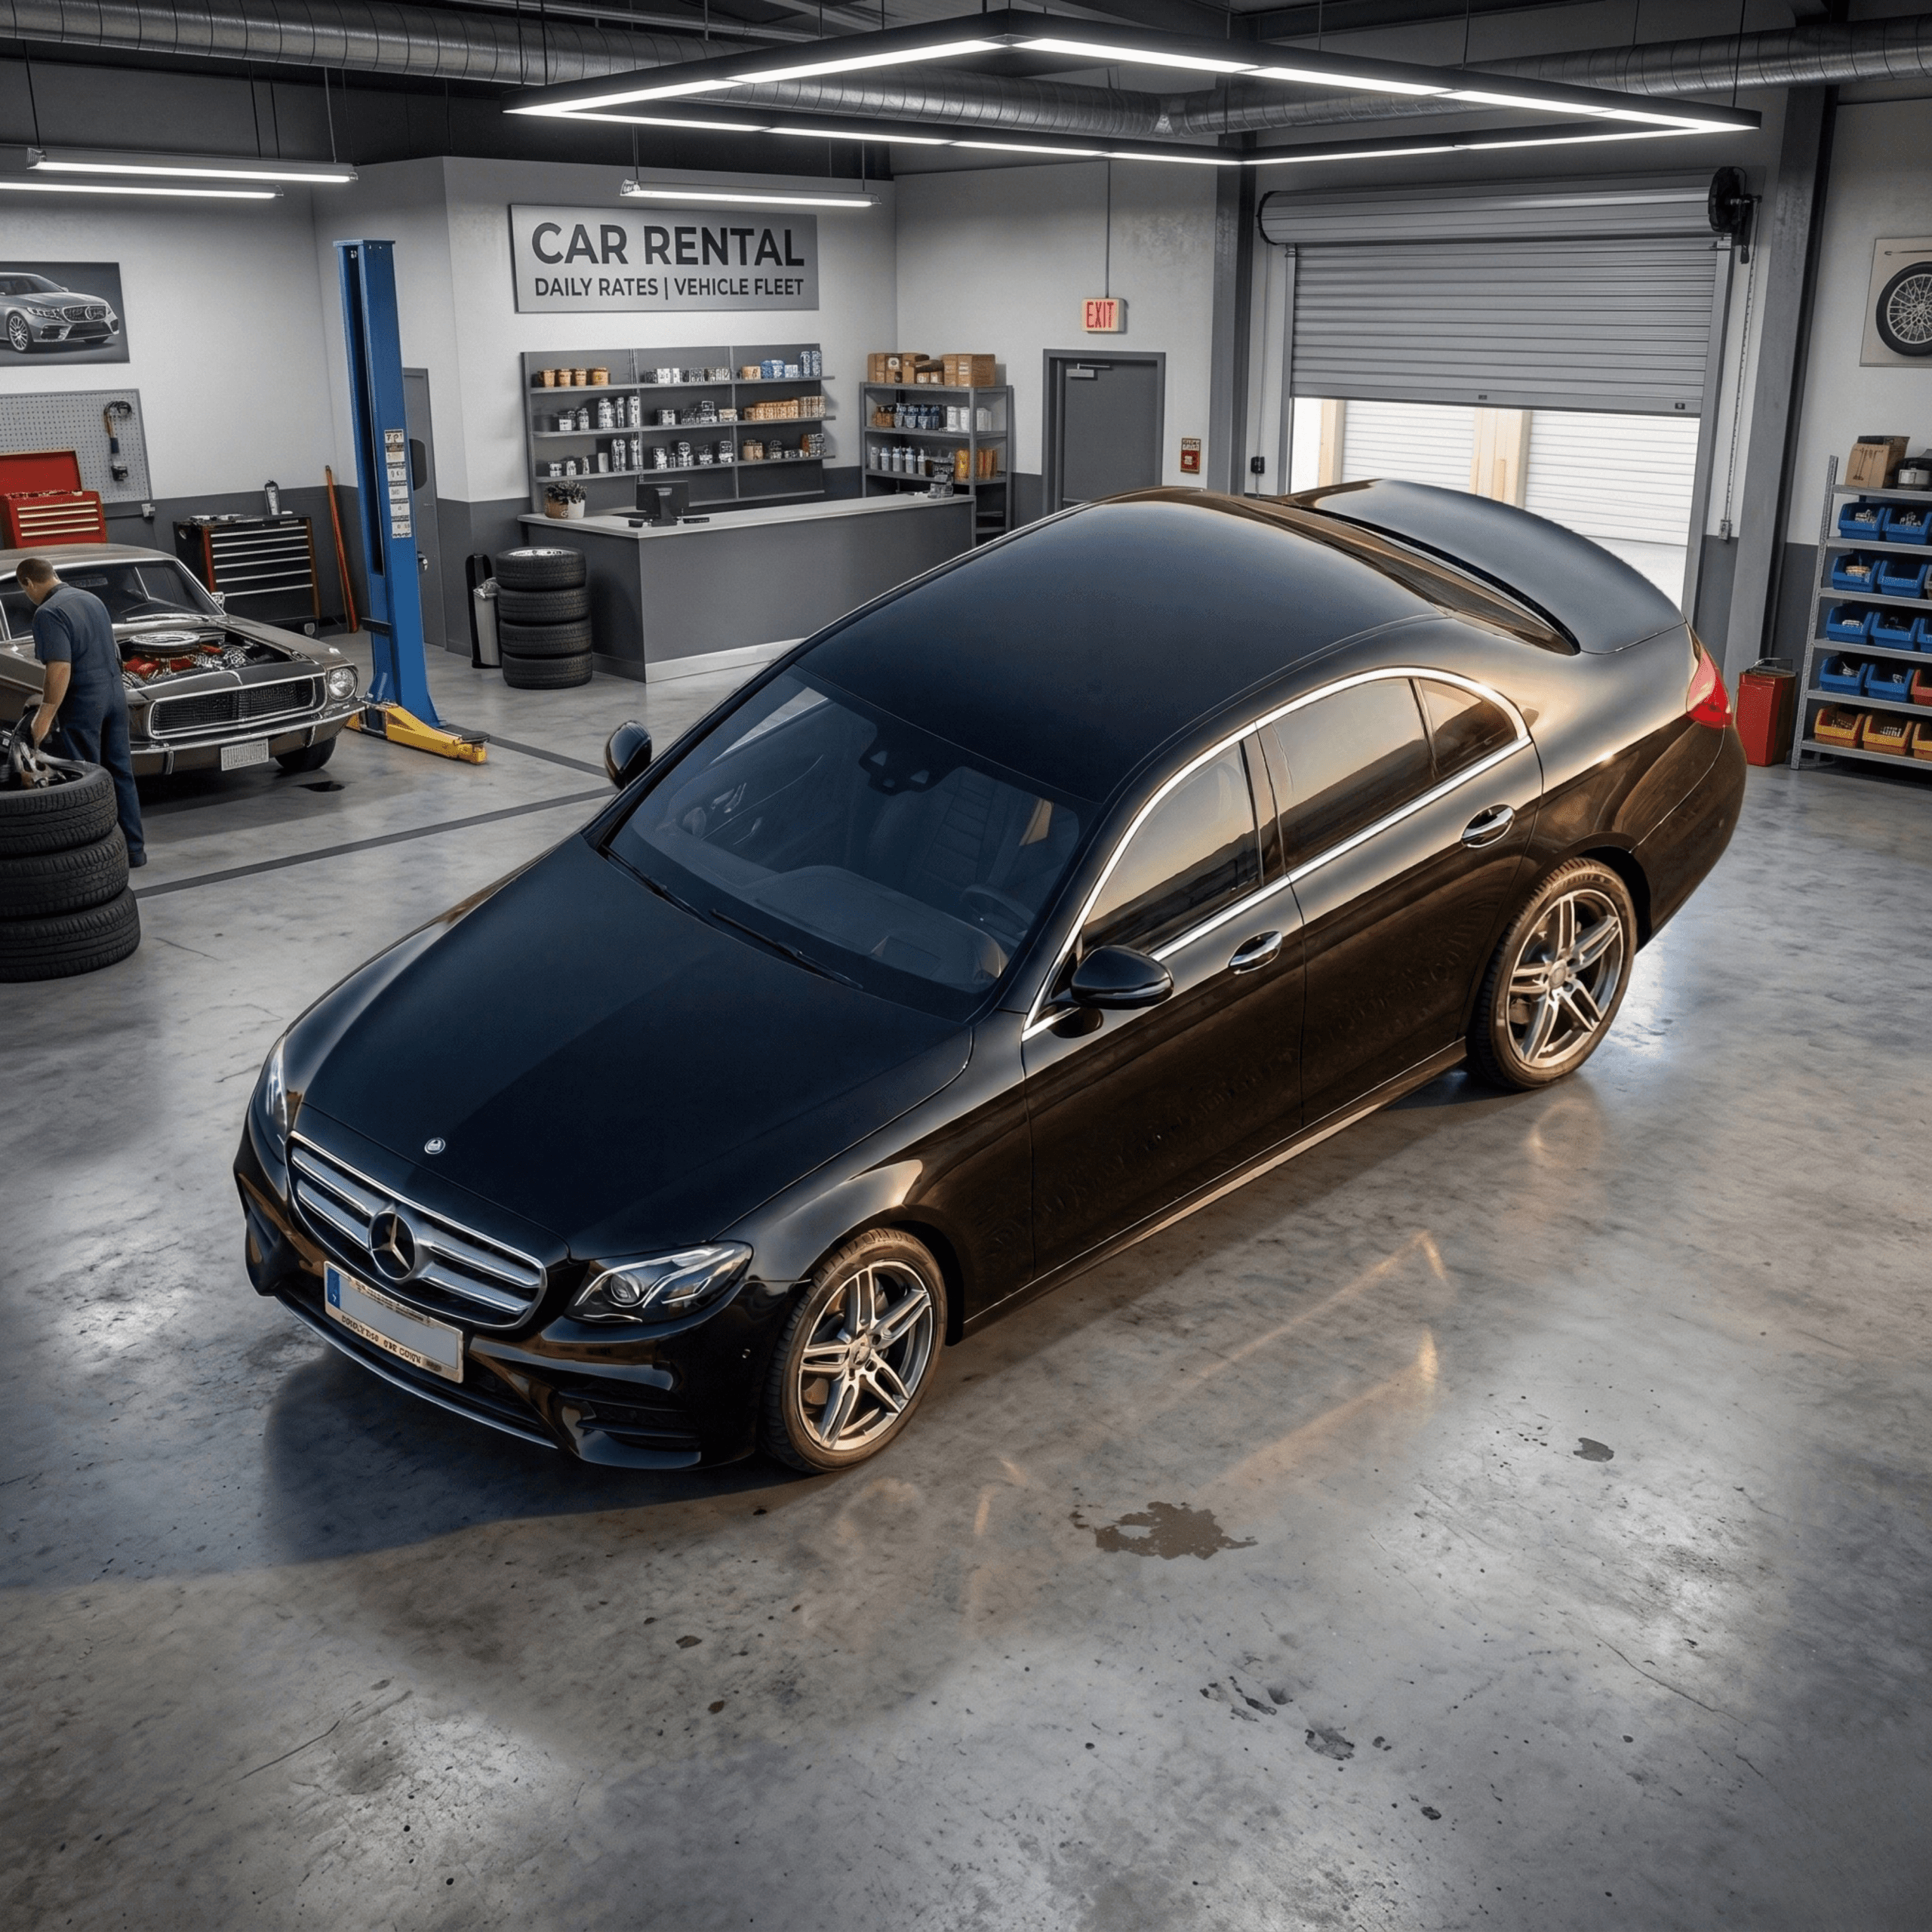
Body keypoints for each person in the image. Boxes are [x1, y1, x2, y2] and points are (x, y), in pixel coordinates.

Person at [18, 555, 145, 866]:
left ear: (29, 583)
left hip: (84, 702)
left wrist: (46, 712)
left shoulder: (48, 613)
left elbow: (60, 667)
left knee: (87, 779)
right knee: (120, 774)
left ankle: (98, 856)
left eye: (25, 590)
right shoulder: (92, 599)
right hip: (116, 695)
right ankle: (134, 851)